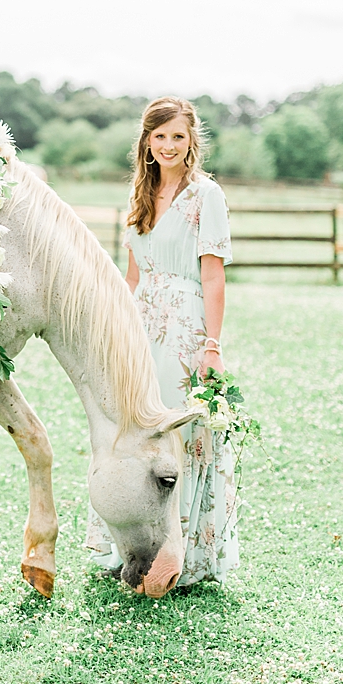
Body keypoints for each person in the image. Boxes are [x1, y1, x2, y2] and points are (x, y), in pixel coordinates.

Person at [86, 96, 238, 585]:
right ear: (147, 142)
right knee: (132, 431)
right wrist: (112, 331)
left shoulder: (205, 195)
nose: (168, 145)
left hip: (183, 326)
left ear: (191, 140)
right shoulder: (140, 193)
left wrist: (211, 346)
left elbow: (213, 277)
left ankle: (185, 554)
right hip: (138, 330)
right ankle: (130, 544)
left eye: (177, 136)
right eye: (160, 136)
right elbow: (131, 278)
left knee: (179, 434)